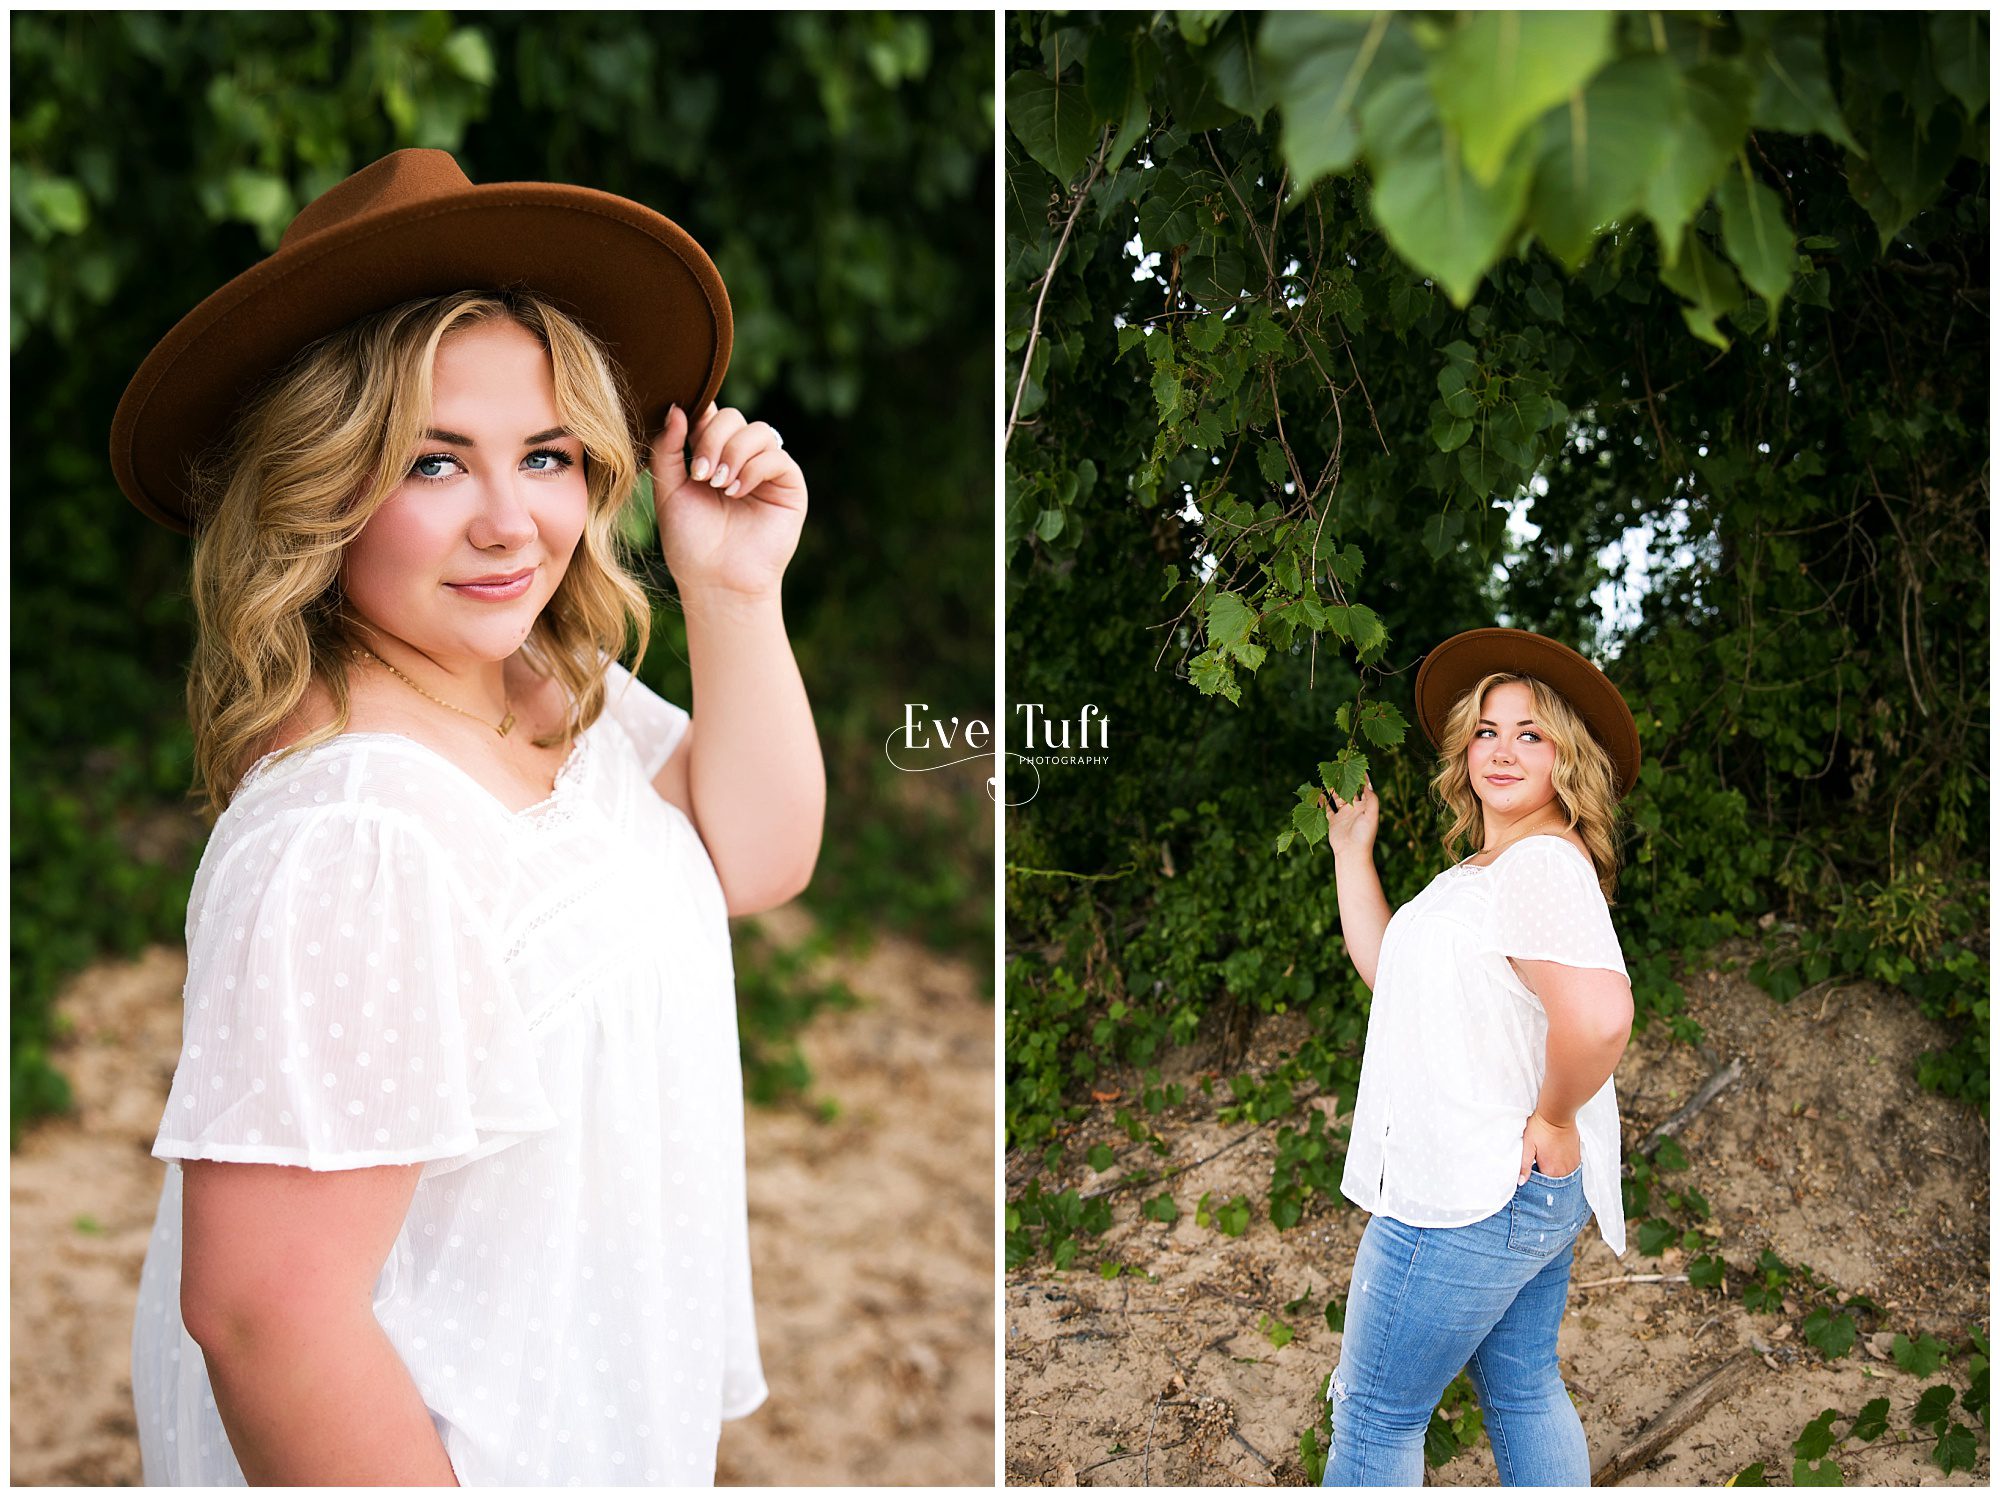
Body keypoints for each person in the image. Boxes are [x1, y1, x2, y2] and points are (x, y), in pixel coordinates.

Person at [113, 148, 824, 1485]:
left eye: (545, 454)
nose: (513, 522)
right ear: (317, 488)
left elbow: (758, 855)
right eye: (433, 464)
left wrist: (734, 591)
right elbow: (266, 1320)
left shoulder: (550, 687)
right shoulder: (355, 830)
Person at [1315, 627, 1640, 1486]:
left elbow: (1603, 1016)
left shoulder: (1534, 862)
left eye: (1530, 732)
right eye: (1487, 729)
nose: (1502, 749)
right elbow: (1395, 972)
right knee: (1524, 1389)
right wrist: (1354, 852)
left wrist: (1557, 1115)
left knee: (1376, 1415)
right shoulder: (1496, 865)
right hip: (1518, 1192)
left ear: (1566, 756)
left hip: (1474, 1191)